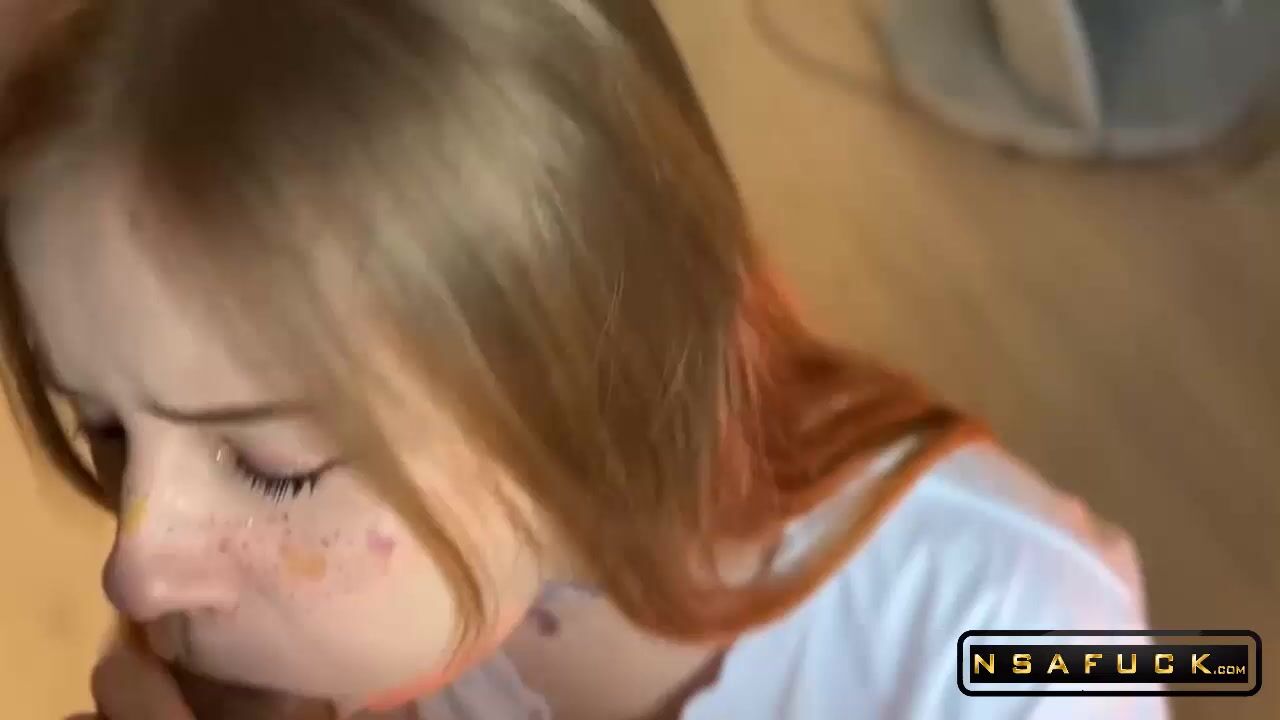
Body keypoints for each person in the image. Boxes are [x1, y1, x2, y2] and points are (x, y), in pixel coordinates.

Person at [0, 0, 1167, 718]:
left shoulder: (1030, 636)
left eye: (273, 465)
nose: (134, 573)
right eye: (106, 429)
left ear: (569, 373)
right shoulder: (264, 620)